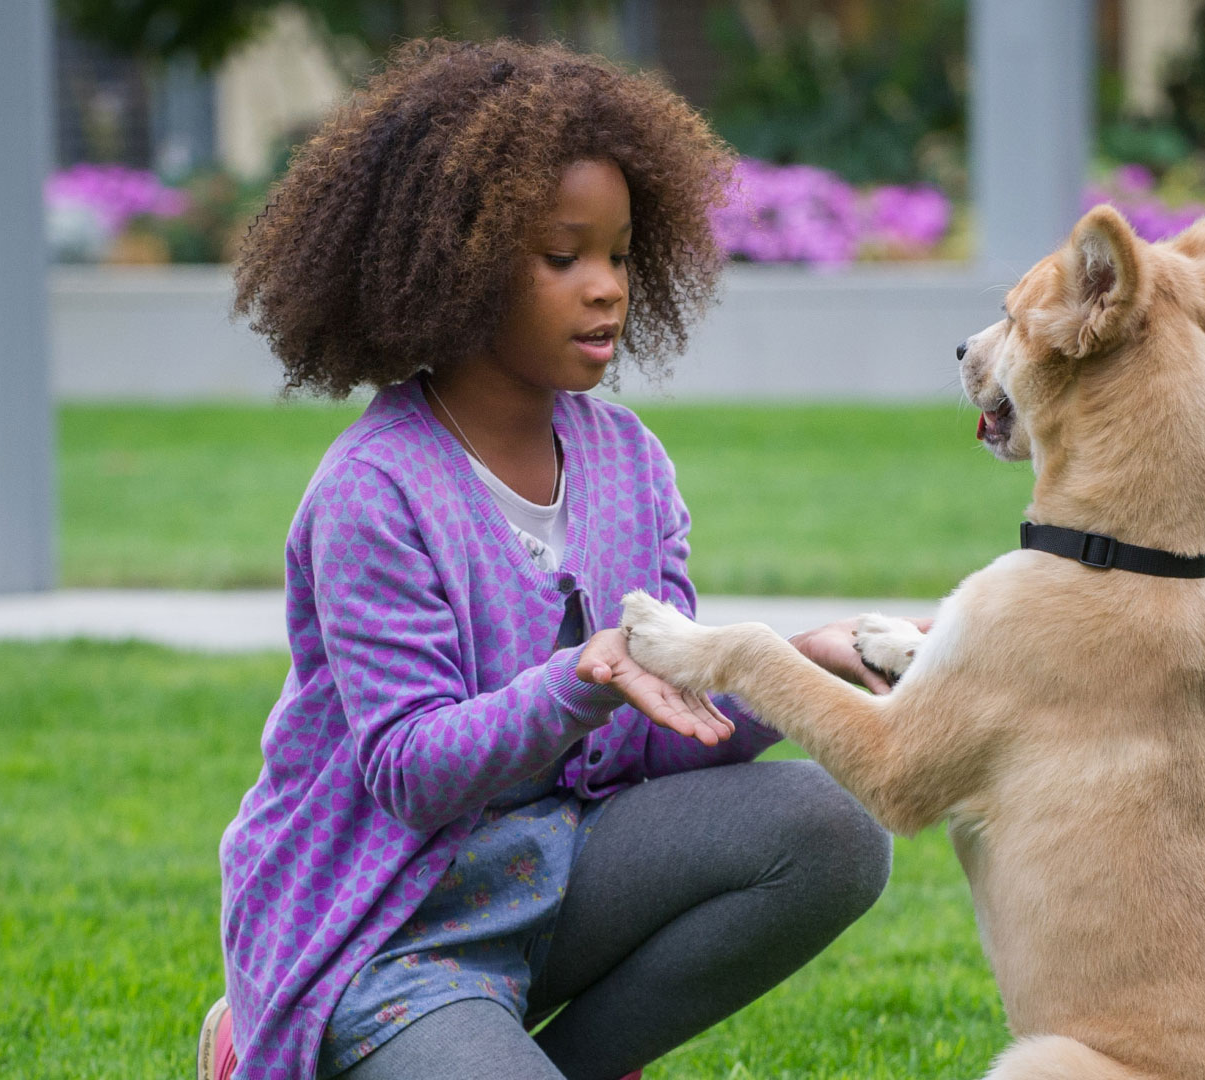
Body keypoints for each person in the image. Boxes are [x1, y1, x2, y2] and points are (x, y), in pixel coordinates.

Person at [198, 38, 897, 1080]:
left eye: (618, 254)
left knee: (833, 829)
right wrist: (578, 677)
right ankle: (255, 1037)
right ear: (460, 263)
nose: (606, 288)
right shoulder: (374, 493)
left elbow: (661, 743)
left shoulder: (630, 465)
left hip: (558, 871)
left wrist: (800, 664)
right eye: (562, 257)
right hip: (389, 932)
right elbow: (407, 773)